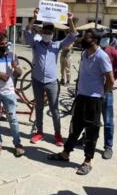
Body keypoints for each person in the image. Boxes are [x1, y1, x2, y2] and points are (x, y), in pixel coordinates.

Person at [48, 28, 114, 175]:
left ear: (95, 41)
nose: (83, 39)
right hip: (81, 97)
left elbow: (110, 80)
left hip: (94, 100)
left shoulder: (102, 56)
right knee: (75, 128)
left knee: (91, 131)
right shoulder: (85, 53)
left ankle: (88, 161)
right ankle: (65, 154)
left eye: (87, 37)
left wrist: (102, 93)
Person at [24, 8, 77, 146]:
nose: (47, 34)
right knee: (39, 107)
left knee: (54, 109)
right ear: (41, 33)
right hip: (37, 81)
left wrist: (70, 20)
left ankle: (58, 134)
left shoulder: (57, 45)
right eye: (45, 32)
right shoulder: (36, 44)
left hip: (52, 82)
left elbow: (73, 36)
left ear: (53, 34)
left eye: (49, 32)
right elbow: (27, 32)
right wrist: (34, 18)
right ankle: (39, 132)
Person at [99, 34, 117, 159]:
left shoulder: (113, 52)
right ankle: (86, 138)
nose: (104, 40)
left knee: (108, 120)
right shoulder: (95, 49)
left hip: (107, 90)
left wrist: (112, 79)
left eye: (106, 37)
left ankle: (108, 146)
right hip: (93, 90)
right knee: (91, 118)